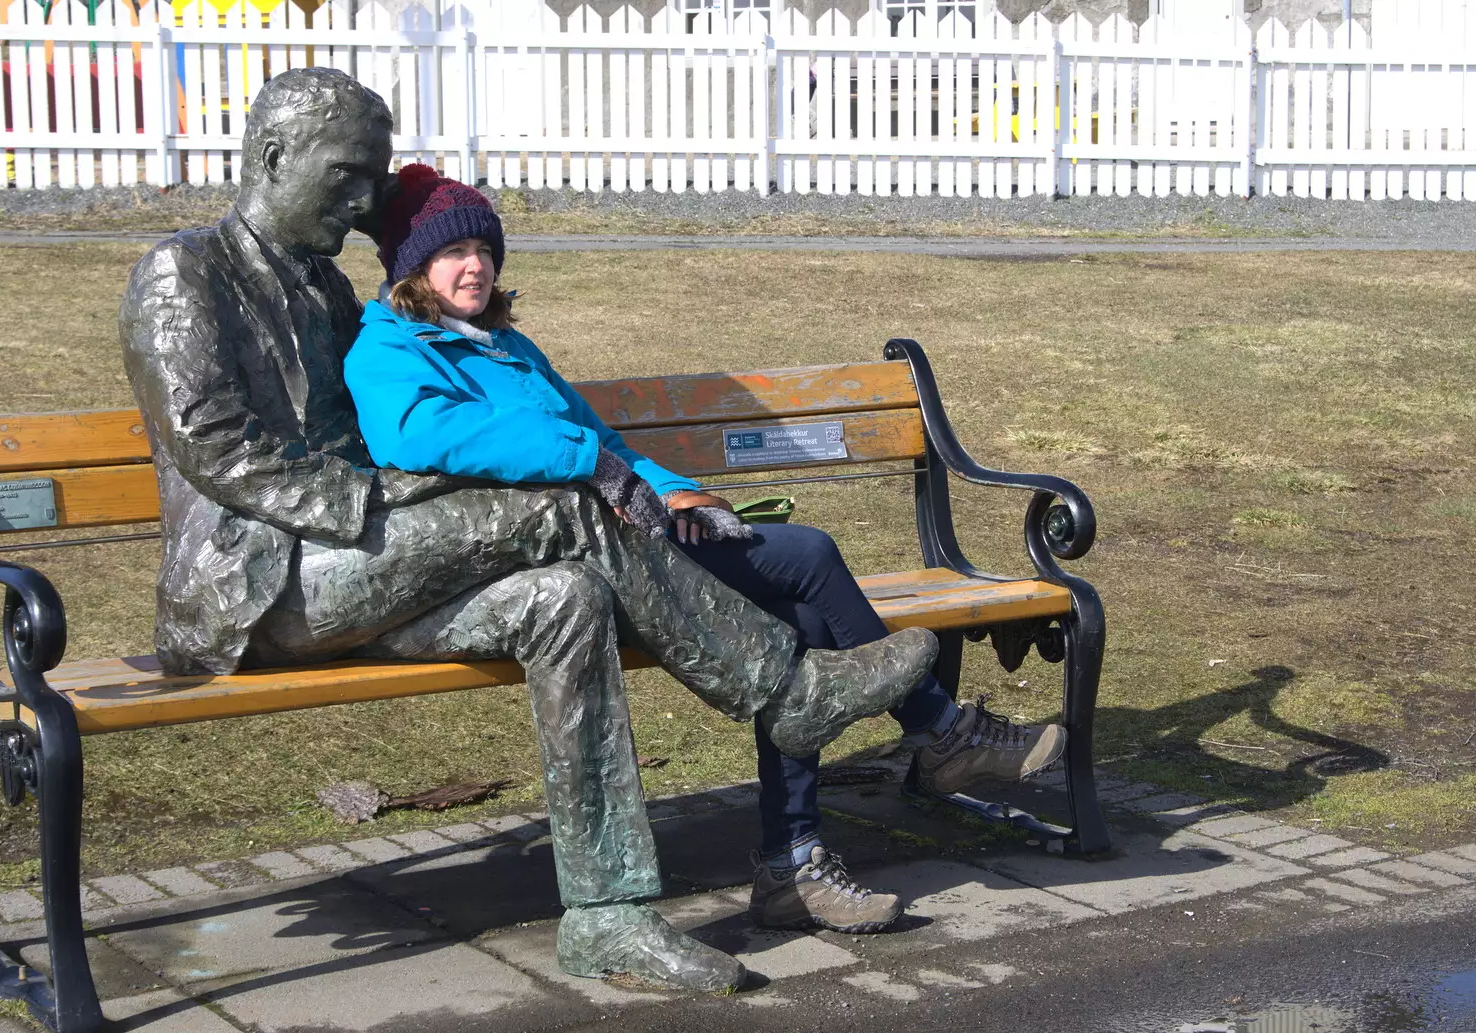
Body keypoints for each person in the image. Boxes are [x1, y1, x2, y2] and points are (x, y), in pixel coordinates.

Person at [119, 67, 940, 994]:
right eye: (348, 178)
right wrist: (382, 504)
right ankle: (783, 685)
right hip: (262, 586)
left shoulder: (328, 292)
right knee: (564, 503)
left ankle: (608, 918)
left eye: (372, 181)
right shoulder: (182, 274)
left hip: (362, 568)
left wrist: (410, 504)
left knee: (568, 598)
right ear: (271, 159)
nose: (362, 205)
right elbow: (215, 447)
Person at [343, 163, 1071, 939]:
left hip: (629, 532)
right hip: (558, 575)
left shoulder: (510, 347)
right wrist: (588, 462)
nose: (475, 265)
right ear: (412, 267)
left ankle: (796, 860)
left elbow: (611, 444)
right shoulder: (388, 348)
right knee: (811, 554)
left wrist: (683, 492)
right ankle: (939, 735)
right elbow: (418, 434)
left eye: (485, 248)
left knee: (800, 618)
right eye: (453, 251)